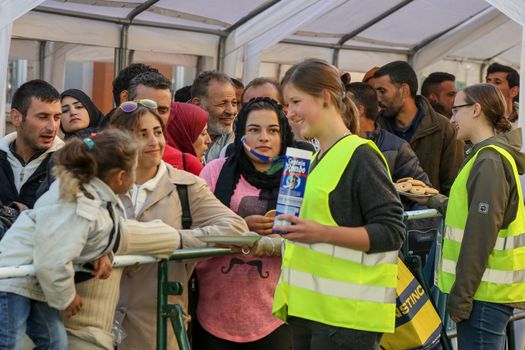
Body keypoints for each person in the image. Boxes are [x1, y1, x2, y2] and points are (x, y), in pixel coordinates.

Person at [272, 58, 405, 350]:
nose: (289, 112)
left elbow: (392, 232)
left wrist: (320, 232)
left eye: (295, 101)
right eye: (287, 104)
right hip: (310, 311)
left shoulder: (361, 156)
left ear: (325, 98)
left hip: (345, 320)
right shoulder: (319, 157)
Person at [109, 100, 249, 350]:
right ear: (119, 142)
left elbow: (236, 229)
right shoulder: (98, 185)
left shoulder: (186, 186)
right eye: (142, 134)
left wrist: (175, 241)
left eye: (158, 132)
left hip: (159, 328)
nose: (154, 141)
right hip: (99, 327)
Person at [0, 129, 138, 349]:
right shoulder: (81, 204)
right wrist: (67, 297)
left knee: (55, 341)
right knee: (10, 343)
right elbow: (54, 256)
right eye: (133, 171)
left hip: (38, 279)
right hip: (15, 277)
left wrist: (102, 253)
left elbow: (92, 237)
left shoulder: (97, 198)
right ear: (121, 176)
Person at [421, 83, 525, 349]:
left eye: (456, 110)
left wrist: (461, 296)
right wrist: (434, 199)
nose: (452, 118)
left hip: (483, 295)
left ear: (476, 109)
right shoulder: (485, 156)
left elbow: (480, 235)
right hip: (485, 292)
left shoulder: (488, 161)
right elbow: (471, 214)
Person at [194, 97, 292, 349]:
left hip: (276, 315)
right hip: (215, 308)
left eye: (273, 130)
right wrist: (241, 227)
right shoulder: (215, 171)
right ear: (241, 135)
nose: (264, 138)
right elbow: (197, 229)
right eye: (254, 130)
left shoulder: (297, 180)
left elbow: (308, 236)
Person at [371, 61, 463, 195]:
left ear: (404, 90)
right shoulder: (375, 127)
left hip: (429, 213)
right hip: (386, 213)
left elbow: (453, 185)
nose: (377, 98)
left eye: (382, 91)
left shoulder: (444, 129)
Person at [0, 80, 64, 213]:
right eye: (43, 117)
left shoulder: (68, 165)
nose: (52, 127)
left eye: (57, 117)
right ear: (16, 117)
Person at [346, 82, 429, 183]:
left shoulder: (397, 148)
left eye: (343, 107)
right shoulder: (335, 142)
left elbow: (421, 191)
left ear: (358, 110)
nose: (338, 113)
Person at [127, 71, 203, 175]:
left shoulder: (188, 164)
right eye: (147, 107)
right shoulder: (100, 152)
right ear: (126, 103)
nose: (154, 116)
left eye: (162, 110)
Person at [191, 71, 238, 162]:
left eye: (234, 103)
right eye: (222, 104)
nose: (231, 111)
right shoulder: (177, 135)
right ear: (197, 104)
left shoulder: (242, 139)